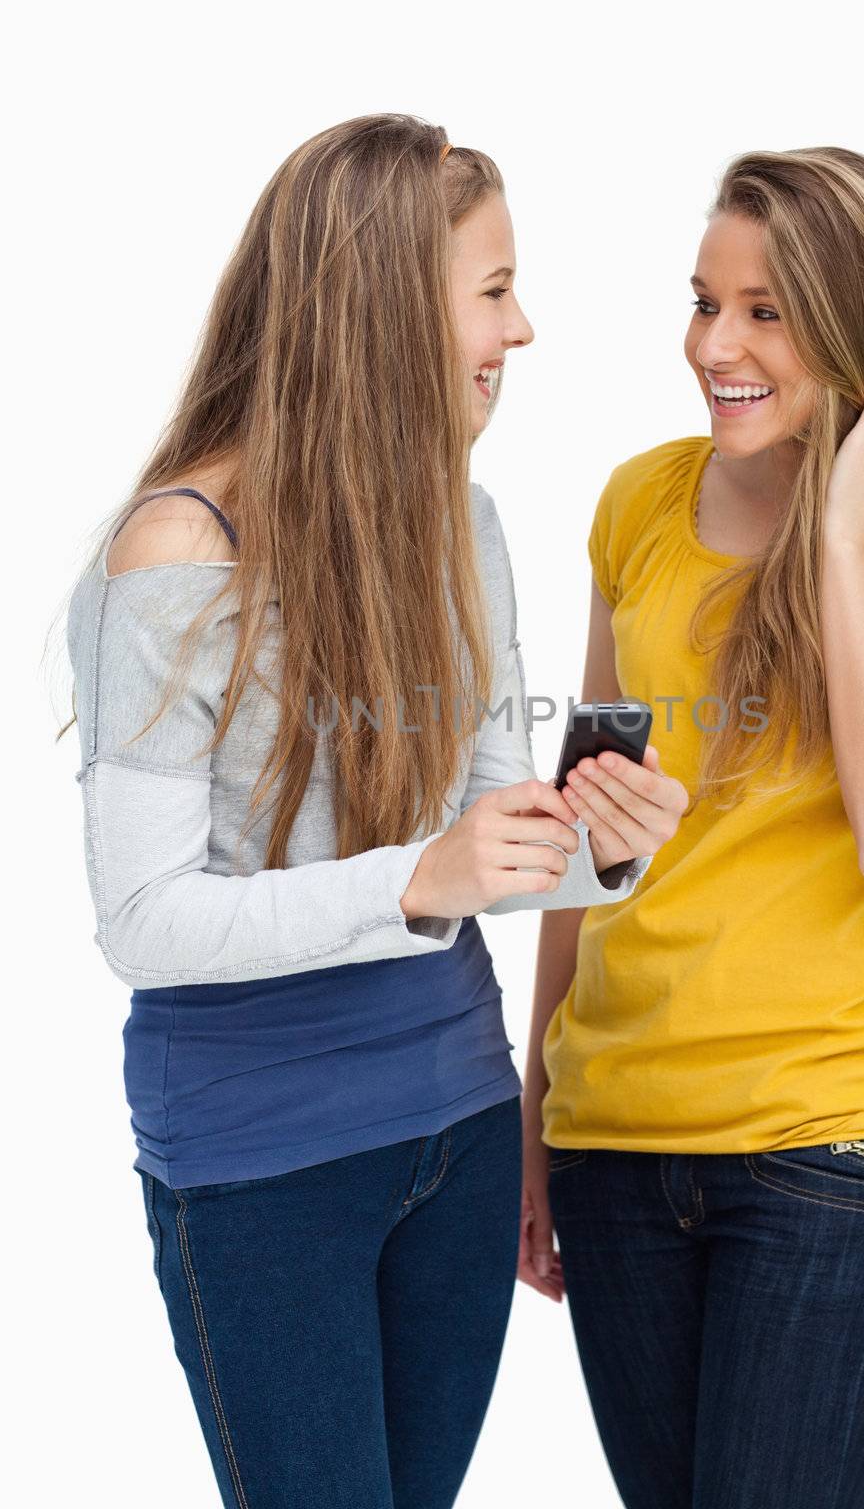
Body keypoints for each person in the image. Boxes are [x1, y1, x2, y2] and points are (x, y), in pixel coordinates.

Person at [59, 113, 687, 1509]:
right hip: (263, 1162)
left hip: (457, 1129)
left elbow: (482, 842)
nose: (521, 328)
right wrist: (422, 877)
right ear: (386, 306)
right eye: (493, 288)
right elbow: (144, 922)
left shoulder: (461, 521)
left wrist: (606, 847)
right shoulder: (179, 551)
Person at [518, 146, 864, 1509]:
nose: (715, 346)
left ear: (857, 321)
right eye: (705, 302)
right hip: (617, 1148)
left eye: (765, 312)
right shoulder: (639, 502)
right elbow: (594, 831)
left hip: (826, 1157)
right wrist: (536, 1113)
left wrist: (836, 537)